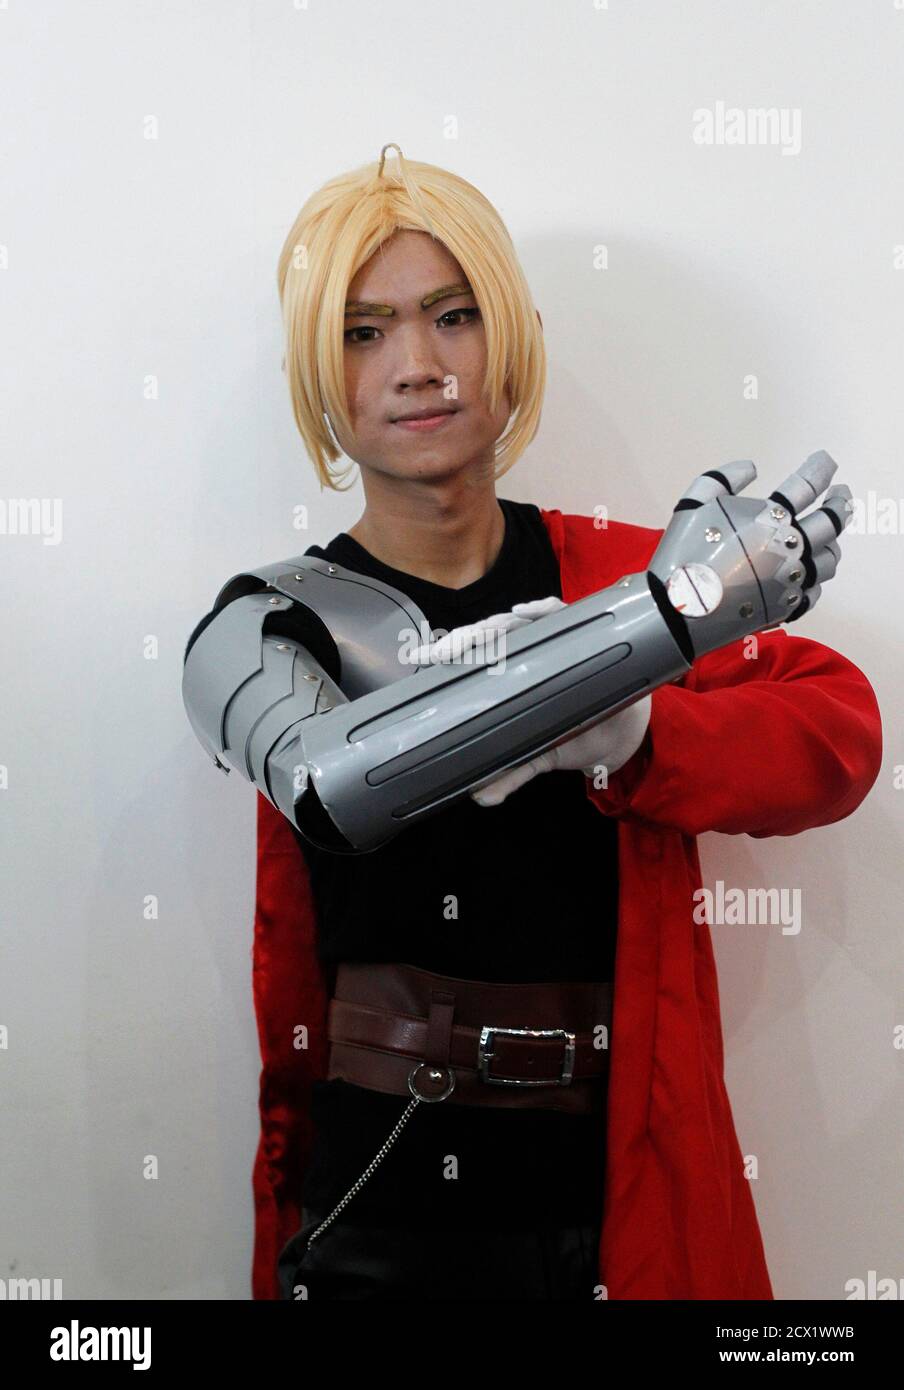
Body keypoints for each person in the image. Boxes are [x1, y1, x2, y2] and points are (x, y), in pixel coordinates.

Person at [183, 145, 883, 1300]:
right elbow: (328, 784)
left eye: (453, 317)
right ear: (318, 372)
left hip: (613, 1180)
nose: (418, 366)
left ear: (508, 338)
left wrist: (643, 736)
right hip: (380, 1193)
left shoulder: (608, 570)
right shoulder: (266, 626)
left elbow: (838, 730)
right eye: (363, 331)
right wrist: (656, 626)